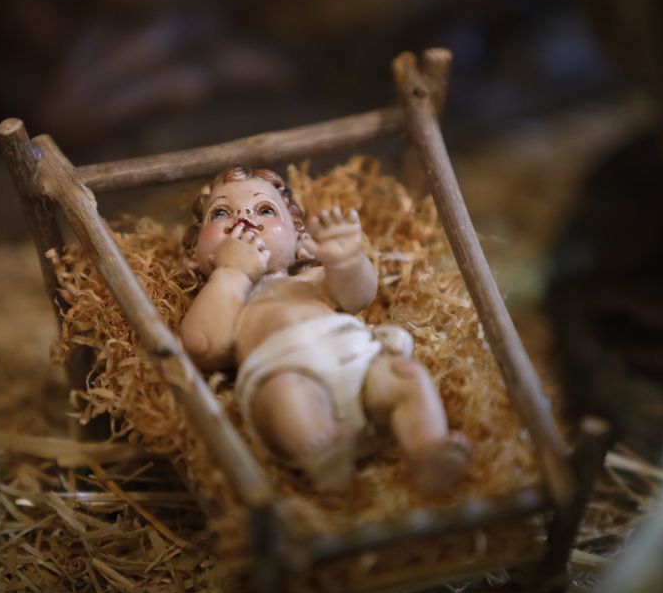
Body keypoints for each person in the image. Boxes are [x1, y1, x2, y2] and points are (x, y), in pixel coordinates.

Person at [179, 165, 471, 496]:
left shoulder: (313, 279)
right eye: (221, 212)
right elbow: (203, 344)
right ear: (193, 256)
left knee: (406, 375)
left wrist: (347, 261)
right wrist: (231, 272)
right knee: (287, 397)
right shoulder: (227, 296)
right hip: (287, 372)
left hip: (359, 365)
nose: (244, 216)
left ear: (300, 241)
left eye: (265, 209)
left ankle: (429, 452)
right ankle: (325, 458)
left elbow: (358, 294)